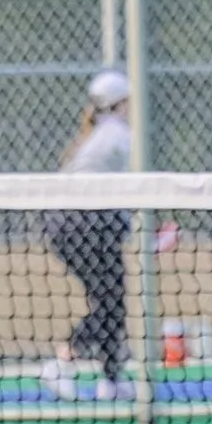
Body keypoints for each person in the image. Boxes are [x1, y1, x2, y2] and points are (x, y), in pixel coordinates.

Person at [40, 65, 135, 397]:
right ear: (120, 102)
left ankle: (112, 379)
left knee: (112, 300)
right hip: (82, 224)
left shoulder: (103, 134)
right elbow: (134, 189)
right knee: (110, 302)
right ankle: (62, 363)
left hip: (83, 224)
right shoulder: (119, 137)